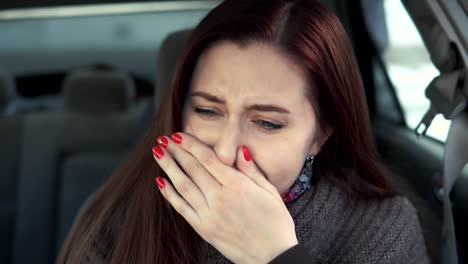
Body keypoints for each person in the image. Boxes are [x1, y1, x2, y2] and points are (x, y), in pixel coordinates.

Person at [57, 0, 430, 263]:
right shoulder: (121, 213)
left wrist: (275, 256)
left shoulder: (381, 229)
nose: (224, 151)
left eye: (267, 123)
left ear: (320, 132)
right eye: (206, 110)